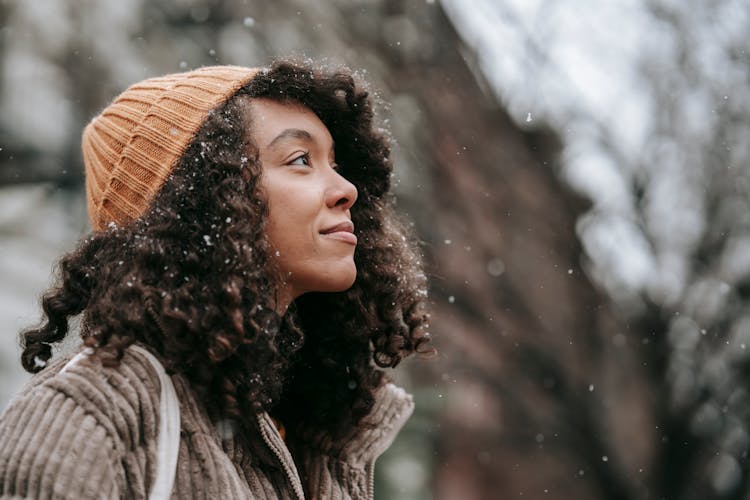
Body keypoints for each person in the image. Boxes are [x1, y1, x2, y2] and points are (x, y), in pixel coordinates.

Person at [0, 60, 432, 499]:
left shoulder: (307, 434)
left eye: (334, 163)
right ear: (204, 202)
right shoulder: (92, 412)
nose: (347, 189)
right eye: (301, 160)